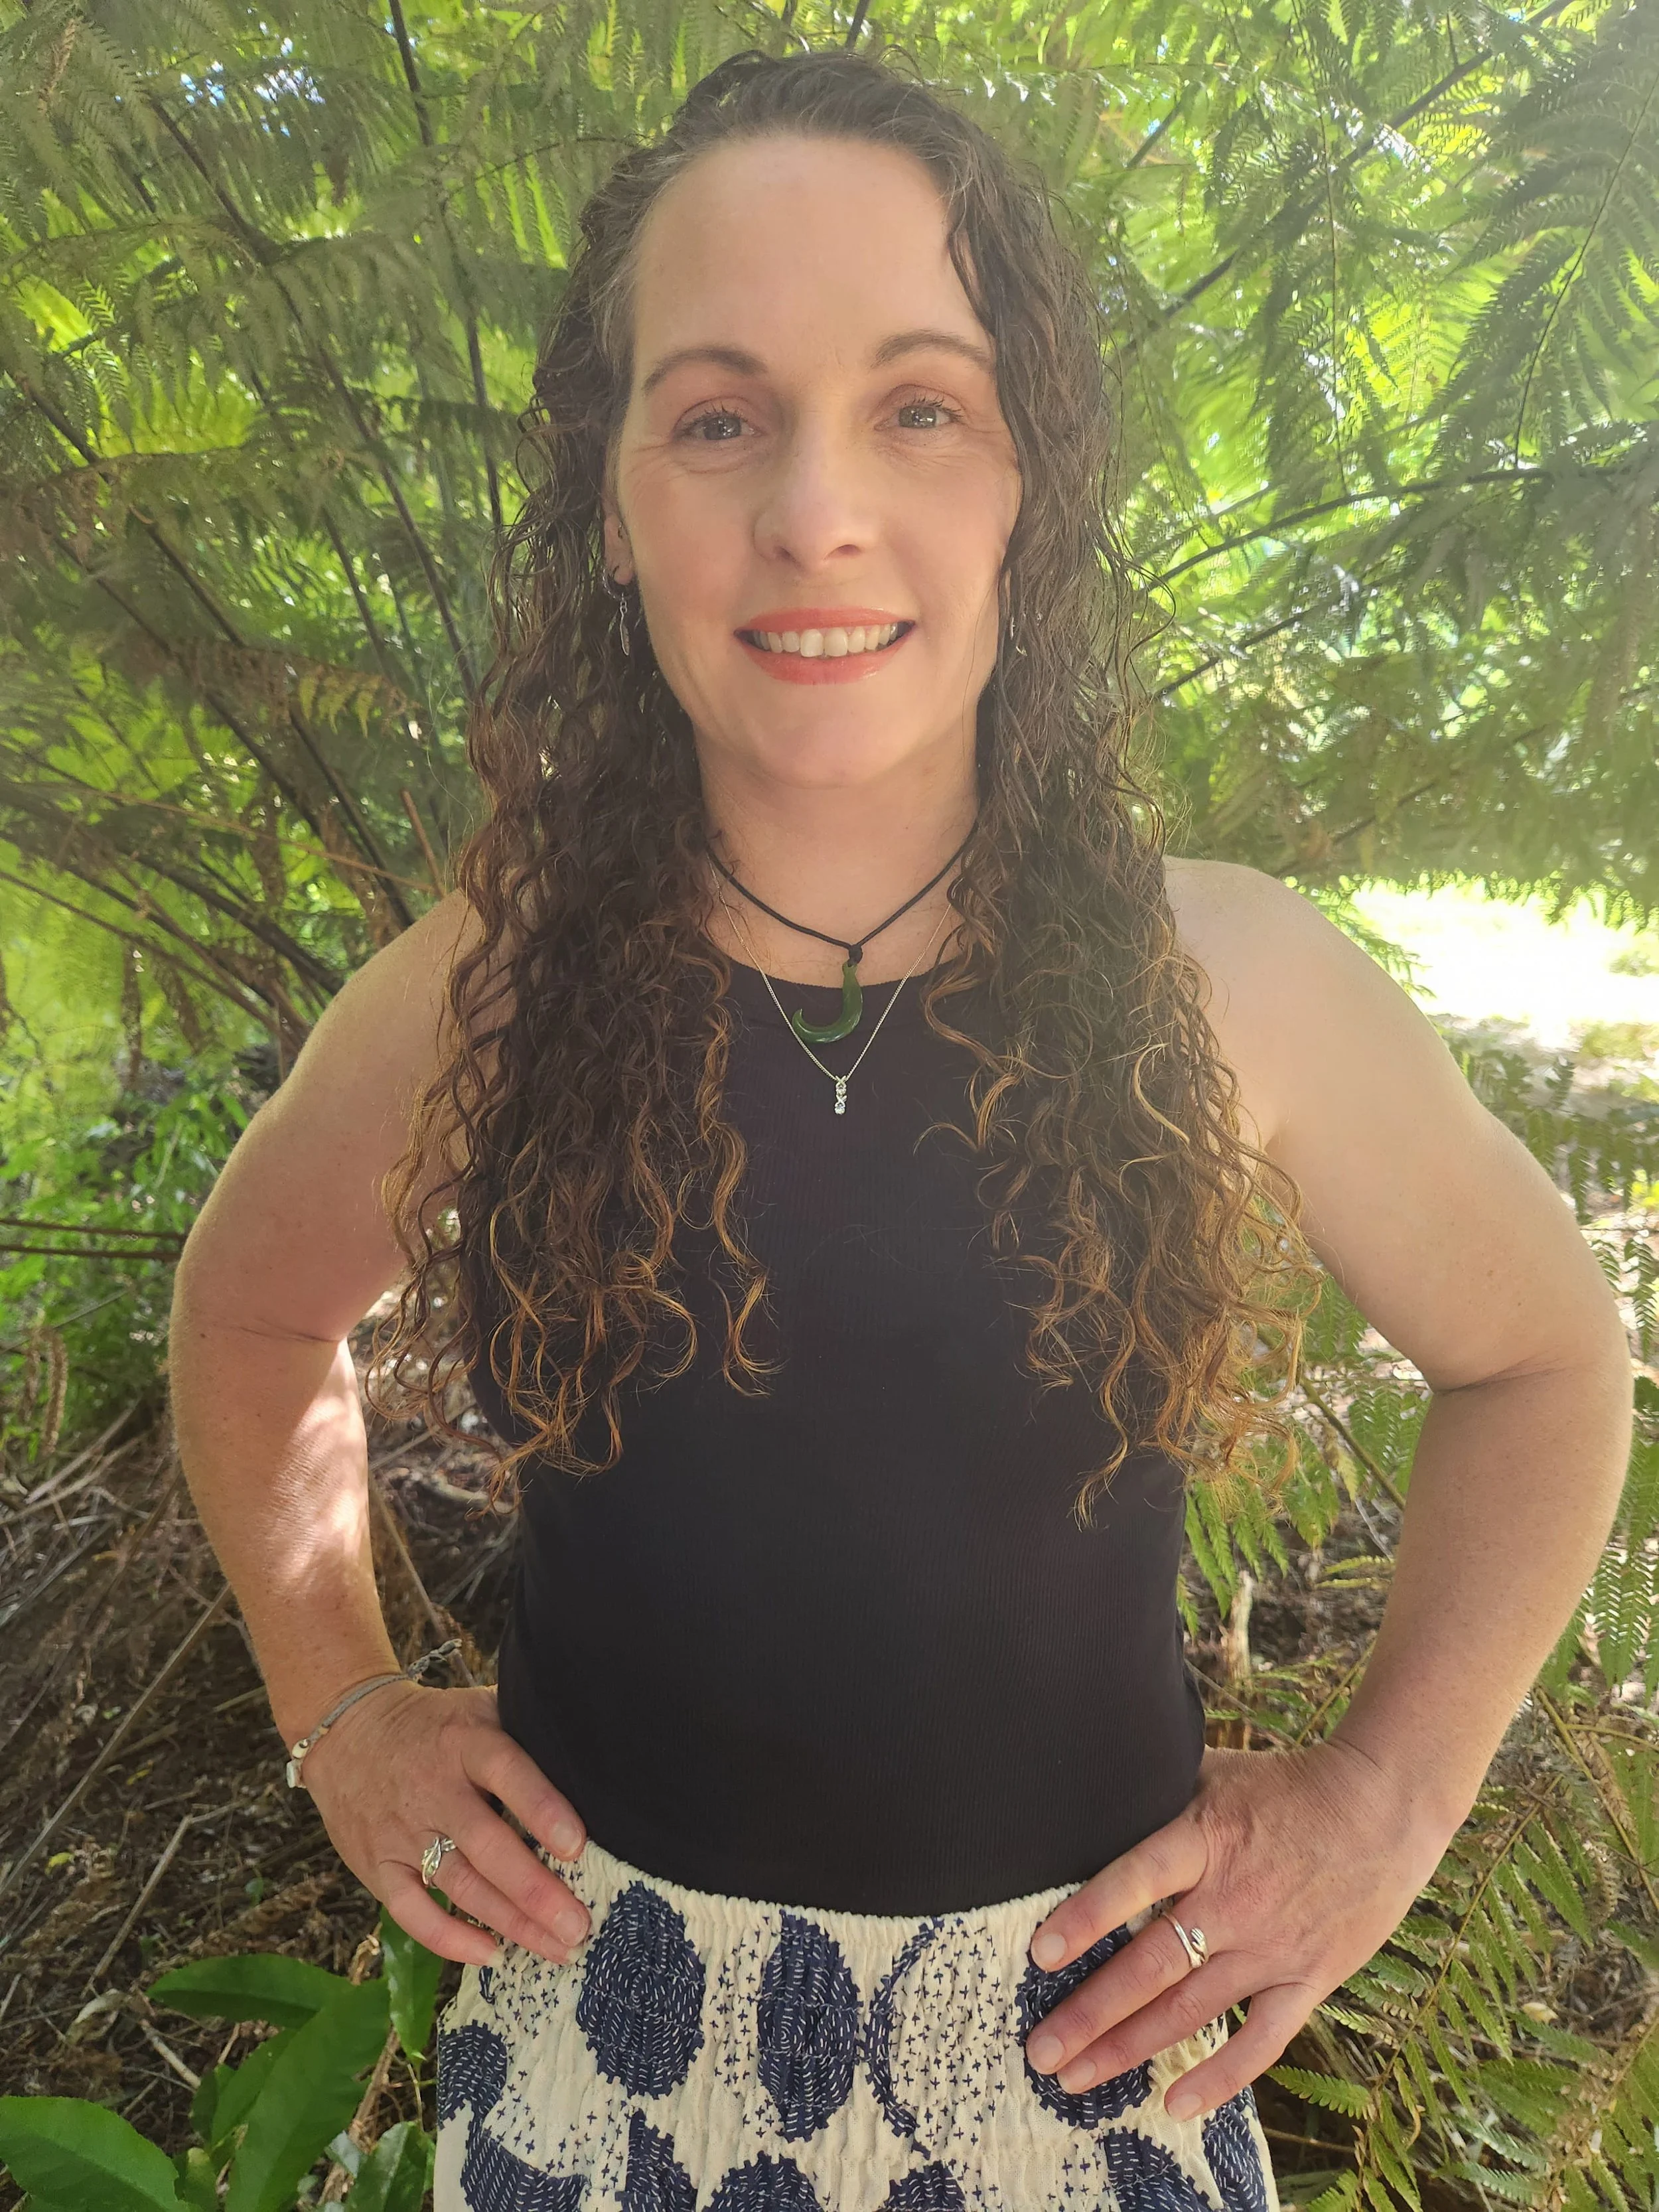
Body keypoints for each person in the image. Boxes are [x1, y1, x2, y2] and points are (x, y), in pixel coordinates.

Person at [169, 46, 1633, 2212]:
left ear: (1026, 477)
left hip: (1078, 2073)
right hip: (602, 2073)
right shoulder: (492, 972)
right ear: (611, 494)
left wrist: (1381, 1803)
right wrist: (342, 1707)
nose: (813, 511)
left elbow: (1543, 1360)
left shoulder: (1226, 978)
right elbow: (249, 1314)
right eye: (718, 415)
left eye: (919, 405)